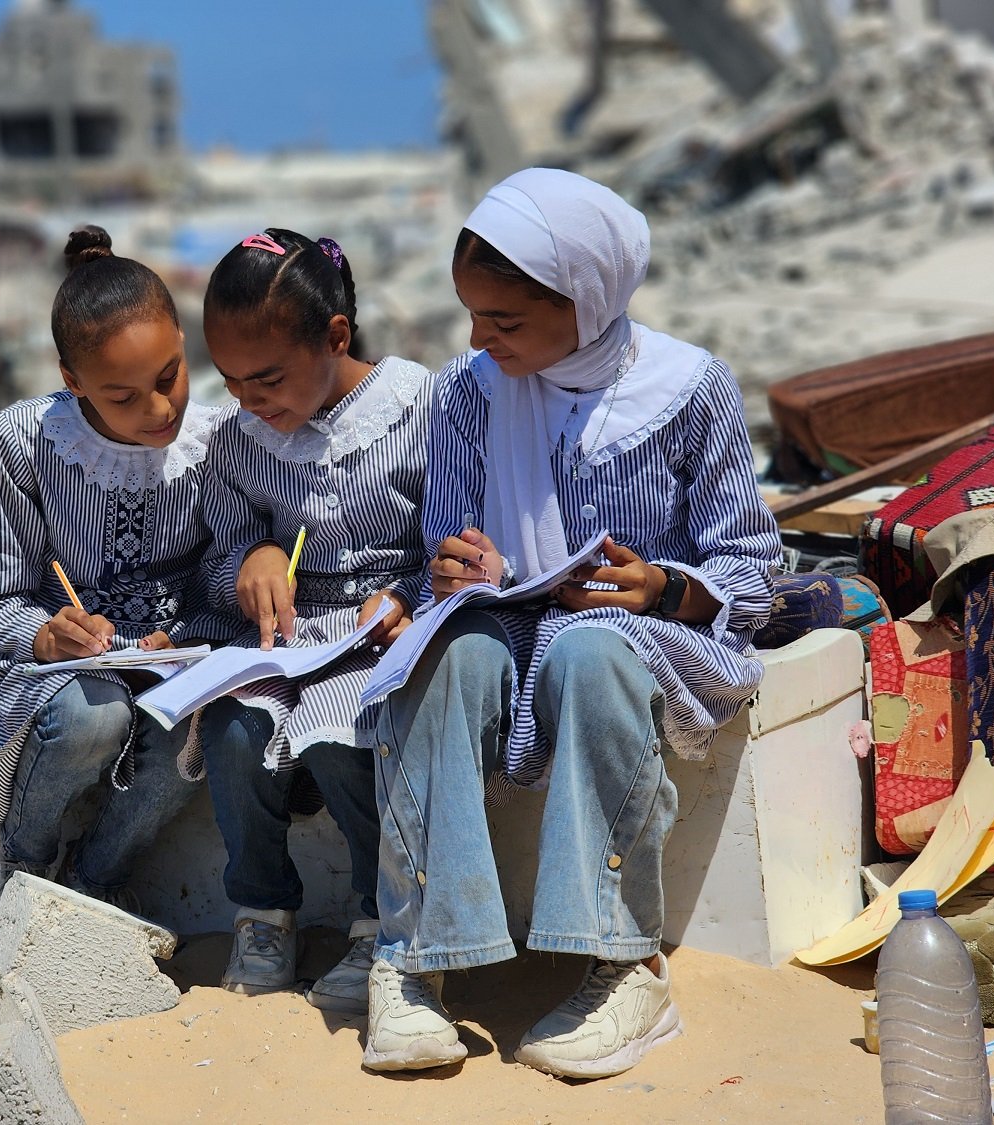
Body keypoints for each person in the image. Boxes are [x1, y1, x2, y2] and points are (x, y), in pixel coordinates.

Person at [363, 170, 781, 1077]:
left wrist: (664, 585)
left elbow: (750, 569)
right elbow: (448, 532)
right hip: (510, 623)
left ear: (587, 301)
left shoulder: (689, 389)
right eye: (472, 315)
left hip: (641, 637)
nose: (480, 339)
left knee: (591, 651)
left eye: (504, 322)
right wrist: (453, 563)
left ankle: (625, 966)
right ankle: (410, 961)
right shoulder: (469, 394)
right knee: (449, 657)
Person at [0, 226, 234, 925]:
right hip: (58, 679)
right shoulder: (22, 441)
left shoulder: (220, 439)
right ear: (72, 383)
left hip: (174, 664)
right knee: (92, 714)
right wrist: (49, 636)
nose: (160, 410)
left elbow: (221, 581)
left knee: (191, 722)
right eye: (123, 397)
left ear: (183, 344)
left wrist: (187, 633)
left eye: (169, 377)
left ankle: (96, 887)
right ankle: (24, 867)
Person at [195, 229, 434, 1015]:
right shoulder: (239, 441)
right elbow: (217, 552)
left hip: (382, 629)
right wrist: (251, 558)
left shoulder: (419, 407)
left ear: (336, 337)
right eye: (231, 382)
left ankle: (377, 916)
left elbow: (454, 539)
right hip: (284, 635)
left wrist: (404, 594)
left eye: (266, 378)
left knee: (341, 738)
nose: (250, 400)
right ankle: (262, 911)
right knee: (233, 728)